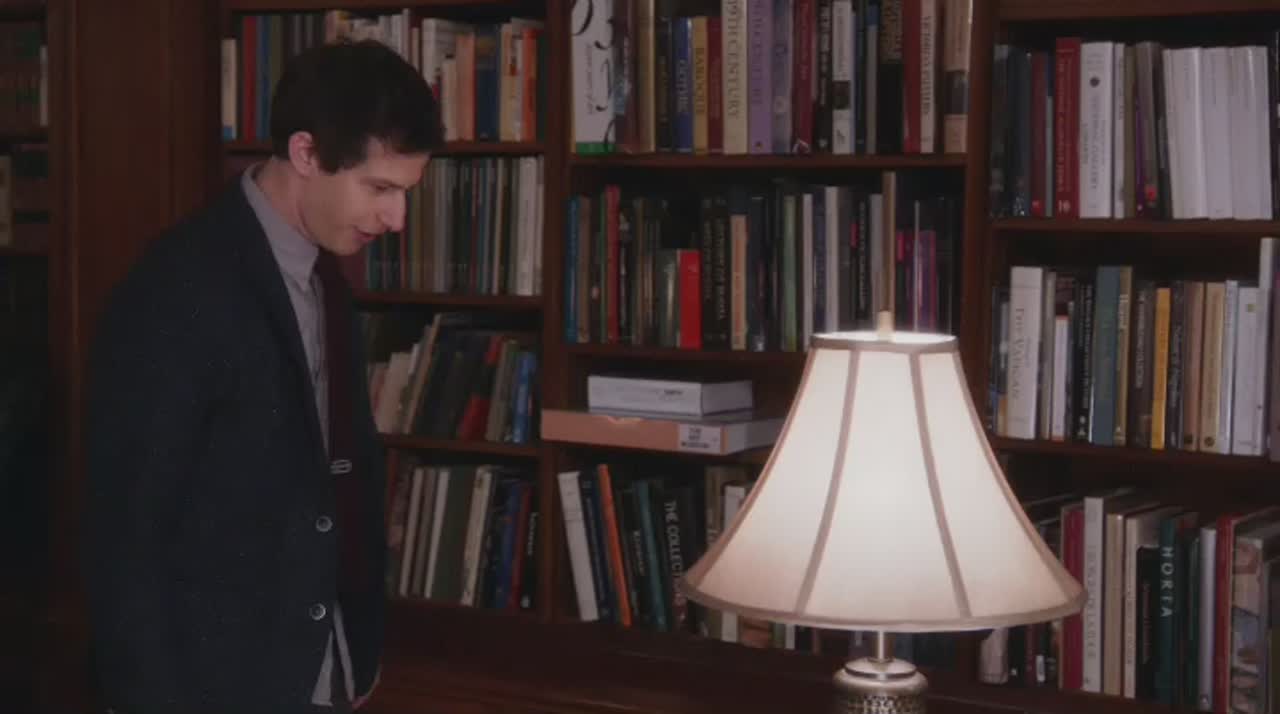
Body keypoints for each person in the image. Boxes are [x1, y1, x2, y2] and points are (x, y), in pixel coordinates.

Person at [82, 38, 443, 714]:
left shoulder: (329, 279)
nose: (397, 219)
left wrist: (353, 657)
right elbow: (126, 532)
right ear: (305, 153)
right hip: (211, 687)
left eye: (406, 192)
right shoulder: (177, 288)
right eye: (380, 188)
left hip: (324, 669)